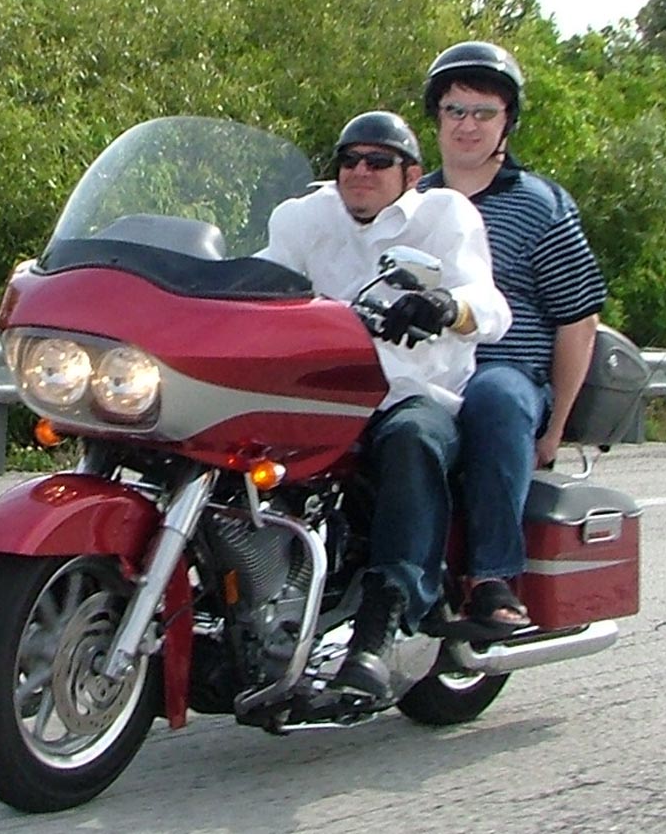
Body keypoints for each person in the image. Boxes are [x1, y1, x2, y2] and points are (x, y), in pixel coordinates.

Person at [259, 110, 511, 699]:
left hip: (410, 394)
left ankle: (381, 626)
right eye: (349, 159)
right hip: (320, 398)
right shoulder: (303, 216)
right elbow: (261, 279)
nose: (361, 171)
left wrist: (446, 306)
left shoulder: (444, 215)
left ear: (411, 174)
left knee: (411, 440)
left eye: (379, 161)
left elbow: (490, 304)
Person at [417, 41, 608, 634]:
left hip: (507, 373)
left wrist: (553, 429)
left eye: (484, 112)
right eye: (455, 110)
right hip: (422, 370)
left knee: (495, 398)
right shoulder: (412, 204)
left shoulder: (540, 206)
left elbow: (578, 320)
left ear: (507, 122)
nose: (467, 125)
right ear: (436, 117)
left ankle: (491, 578)